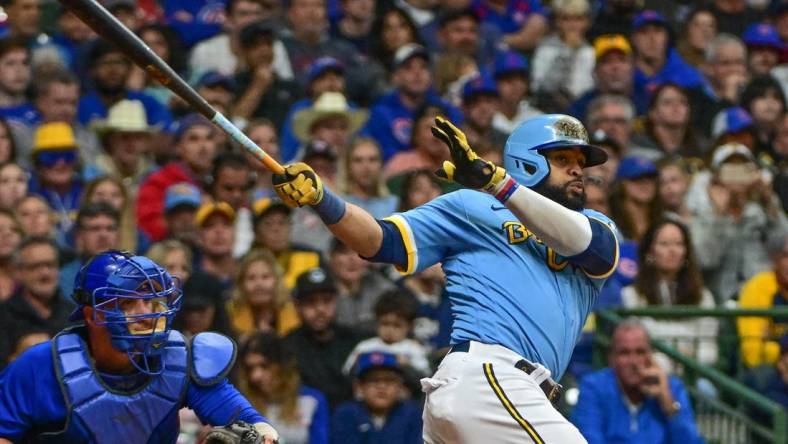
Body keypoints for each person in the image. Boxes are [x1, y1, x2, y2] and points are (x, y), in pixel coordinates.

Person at [271, 113, 619, 442]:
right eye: (563, 160)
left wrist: (496, 181)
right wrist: (322, 199)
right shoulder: (473, 206)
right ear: (528, 163)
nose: (578, 170)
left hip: (513, 396)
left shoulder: (595, 225)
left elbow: (594, 250)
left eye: (581, 163)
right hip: (489, 376)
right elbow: (381, 241)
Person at [0, 251, 279, 443]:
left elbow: (255, 425)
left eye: (151, 301)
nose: (146, 314)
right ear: (92, 315)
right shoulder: (41, 365)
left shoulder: (182, 357)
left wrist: (260, 436)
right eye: (128, 303)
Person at [570, 320, 704, 444]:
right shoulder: (594, 387)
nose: (633, 361)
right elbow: (589, 439)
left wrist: (668, 404)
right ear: (611, 358)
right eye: (624, 353)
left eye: (640, 352)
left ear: (651, 356)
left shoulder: (672, 388)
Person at [620, 218, 719, 370]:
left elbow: (709, 350)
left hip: (694, 374)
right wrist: (674, 356)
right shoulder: (631, 295)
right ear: (649, 252)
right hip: (648, 373)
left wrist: (688, 358)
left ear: (686, 252)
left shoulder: (703, 297)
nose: (672, 250)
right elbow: (635, 347)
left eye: (678, 244)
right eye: (664, 244)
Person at [282, 267, 361, 409]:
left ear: (336, 302)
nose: (320, 309)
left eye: (327, 301)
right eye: (311, 302)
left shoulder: (355, 341)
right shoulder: (287, 347)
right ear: (297, 306)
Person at [237, 333, 330, 444]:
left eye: (264, 366)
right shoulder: (241, 405)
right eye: (250, 369)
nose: (255, 376)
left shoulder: (311, 400)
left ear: (283, 365)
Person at [331, 351, 423, 444]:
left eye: (389, 380)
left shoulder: (412, 414)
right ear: (359, 387)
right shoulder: (345, 414)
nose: (382, 387)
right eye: (373, 380)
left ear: (399, 386)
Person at [342, 288, 431, 377]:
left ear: (410, 327)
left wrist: (407, 366)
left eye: (397, 325)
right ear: (376, 322)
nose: (390, 330)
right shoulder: (365, 347)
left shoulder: (413, 350)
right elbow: (347, 373)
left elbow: (424, 377)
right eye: (385, 324)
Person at [737, 230, 788, 368]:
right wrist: (781, 355)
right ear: (775, 260)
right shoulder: (758, 287)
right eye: (786, 256)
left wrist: (770, 346)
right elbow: (753, 353)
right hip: (770, 372)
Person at [227, 249, 300, 338]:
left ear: (277, 281)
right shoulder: (228, 316)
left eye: (265, 277)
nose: (259, 284)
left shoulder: (296, 315)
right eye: (251, 278)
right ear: (241, 284)